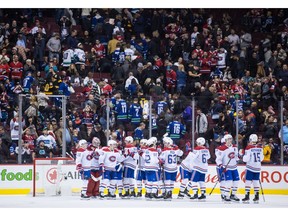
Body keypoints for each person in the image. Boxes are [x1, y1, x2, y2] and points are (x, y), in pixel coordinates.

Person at [241, 134, 264, 203]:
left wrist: (242, 156)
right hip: (257, 167)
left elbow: (246, 159)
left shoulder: (249, 147)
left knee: (248, 181)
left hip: (250, 167)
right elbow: (262, 158)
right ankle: (257, 196)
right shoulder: (260, 147)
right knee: (256, 181)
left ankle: (247, 196)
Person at [215, 134, 238, 202]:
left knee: (236, 181)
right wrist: (221, 165)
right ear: (225, 140)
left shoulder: (235, 147)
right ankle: (226, 195)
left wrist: (240, 155)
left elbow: (236, 157)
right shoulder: (221, 149)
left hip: (234, 167)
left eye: (230, 139)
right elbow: (218, 159)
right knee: (229, 181)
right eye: (228, 139)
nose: (229, 141)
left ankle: (233, 195)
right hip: (227, 168)